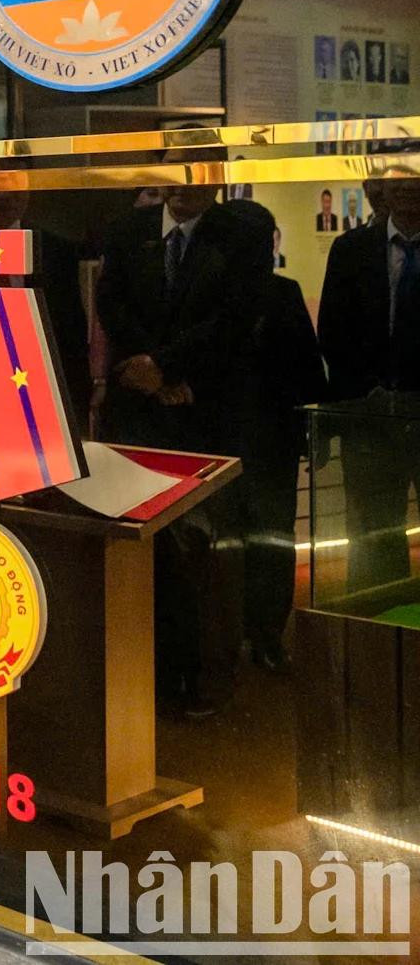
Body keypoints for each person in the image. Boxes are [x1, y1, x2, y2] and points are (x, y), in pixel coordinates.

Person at [95, 142, 244, 715]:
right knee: (139, 555)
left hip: (201, 413)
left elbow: (232, 316)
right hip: (137, 413)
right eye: (174, 170)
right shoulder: (126, 229)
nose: (183, 183)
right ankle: (143, 676)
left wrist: (170, 367)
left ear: (217, 178)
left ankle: (199, 677)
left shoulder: (240, 232)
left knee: (202, 557)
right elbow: (112, 304)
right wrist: (150, 373)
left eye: (197, 171)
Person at [217, 200, 324, 672]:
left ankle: (244, 636)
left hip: (235, 441)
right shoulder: (280, 293)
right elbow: (307, 373)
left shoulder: (214, 293)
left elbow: (304, 370)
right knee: (269, 544)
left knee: (241, 546)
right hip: (263, 441)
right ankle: (262, 637)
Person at [316, 163, 420, 592]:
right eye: (400, 178)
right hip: (369, 419)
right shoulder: (351, 249)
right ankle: (380, 642)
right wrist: (367, 392)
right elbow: (332, 331)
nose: (408, 187)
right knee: (374, 541)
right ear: (382, 187)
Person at [0, 158, 94, 423]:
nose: (3, 195)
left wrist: (77, 407)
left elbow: (70, 338)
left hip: (39, 399)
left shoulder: (56, 250)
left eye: (15, 183)